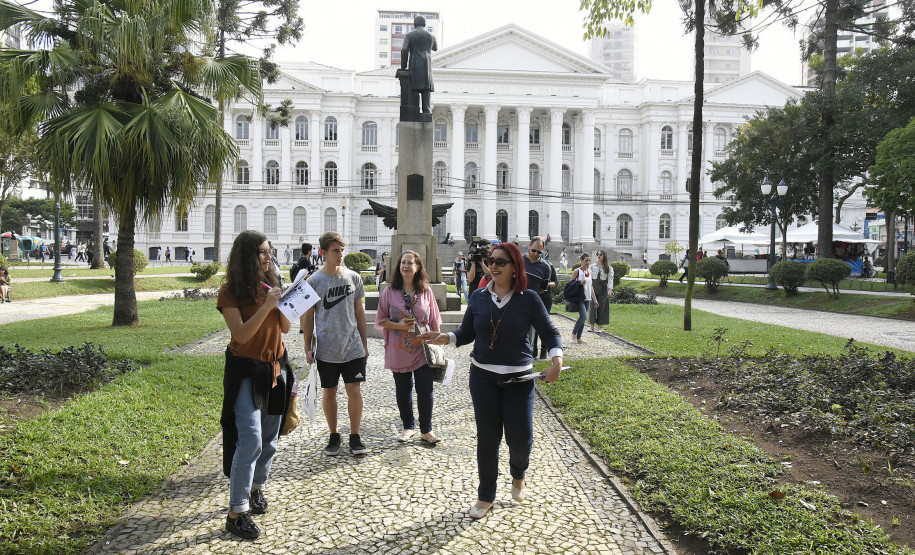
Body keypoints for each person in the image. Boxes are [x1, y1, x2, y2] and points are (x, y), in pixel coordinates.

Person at [418, 242, 563, 519]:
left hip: (519, 378)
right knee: (488, 438)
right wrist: (445, 338)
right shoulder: (479, 297)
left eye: (500, 262)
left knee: (520, 439)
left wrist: (556, 360)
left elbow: (550, 332)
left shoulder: (528, 299)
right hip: (482, 376)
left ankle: (518, 473)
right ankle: (486, 496)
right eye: (491, 260)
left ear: (514, 267)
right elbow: (468, 331)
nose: (493, 266)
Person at [217, 230, 296, 540]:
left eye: (269, 251)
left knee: (270, 438)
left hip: (275, 368)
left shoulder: (271, 284)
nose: (268, 257)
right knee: (250, 439)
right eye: (262, 252)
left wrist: (283, 303)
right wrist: (266, 306)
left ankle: (255, 489)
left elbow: (286, 328)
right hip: (245, 371)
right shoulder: (230, 292)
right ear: (246, 257)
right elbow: (240, 335)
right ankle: (236, 512)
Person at [301, 232, 369, 457]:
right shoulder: (314, 282)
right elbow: (307, 316)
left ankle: (355, 435)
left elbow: (359, 312)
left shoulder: (354, 277)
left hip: (352, 347)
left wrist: (364, 343)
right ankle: (333, 434)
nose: (340, 255)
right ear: (323, 252)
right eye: (335, 251)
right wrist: (307, 346)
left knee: (354, 390)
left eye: (342, 250)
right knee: (329, 392)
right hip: (327, 349)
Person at [375, 251, 443, 443]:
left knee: (425, 389)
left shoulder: (426, 291)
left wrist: (438, 344)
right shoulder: (389, 291)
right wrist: (400, 326)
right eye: (402, 262)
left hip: (422, 348)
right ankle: (408, 427)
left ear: (418, 267)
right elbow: (381, 320)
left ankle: (426, 430)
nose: (405, 266)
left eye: (410, 263)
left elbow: (434, 320)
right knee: (403, 390)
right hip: (398, 349)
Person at [523, 237, 556, 360]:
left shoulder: (545, 267)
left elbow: (543, 288)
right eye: (533, 250)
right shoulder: (519, 260)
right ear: (529, 246)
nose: (536, 254)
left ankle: (529, 354)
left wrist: (532, 296)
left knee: (532, 331)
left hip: (532, 303)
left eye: (539, 252)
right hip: (515, 300)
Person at [400, 15, 437, 114]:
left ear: (414, 24)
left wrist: (403, 67)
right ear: (424, 24)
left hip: (414, 65)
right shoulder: (431, 36)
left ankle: (414, 112)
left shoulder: (409, 35)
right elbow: (435, 48)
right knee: (426, 91)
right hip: (427, 67)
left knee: (413, 90)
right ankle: (426, 112)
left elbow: (404, 50)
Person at [570, 253, 596, 344]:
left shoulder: (590, 272)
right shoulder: (577, 271)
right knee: (584, 315)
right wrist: (579, 283)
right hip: (579, 297)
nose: (588, 262)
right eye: (586, 260)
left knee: (583, 318)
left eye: (589, 260)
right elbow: (570, 285)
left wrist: (595, 299)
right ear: (581, 260)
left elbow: (591, 286)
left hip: (588, 297)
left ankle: (579, 337)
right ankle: (574, 333)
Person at [589, 251, 613, 333]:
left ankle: (599, 326)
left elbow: (610, 279)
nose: (598, 256)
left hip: (602, 288)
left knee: (602, 306)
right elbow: (589, 277)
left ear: (604, 256)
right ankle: (591, 325)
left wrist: (610, 289)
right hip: (593, 287)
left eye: (600, 254)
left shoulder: (608, 267)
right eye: (597, 254)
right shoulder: (592, 266)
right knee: (592, 306)